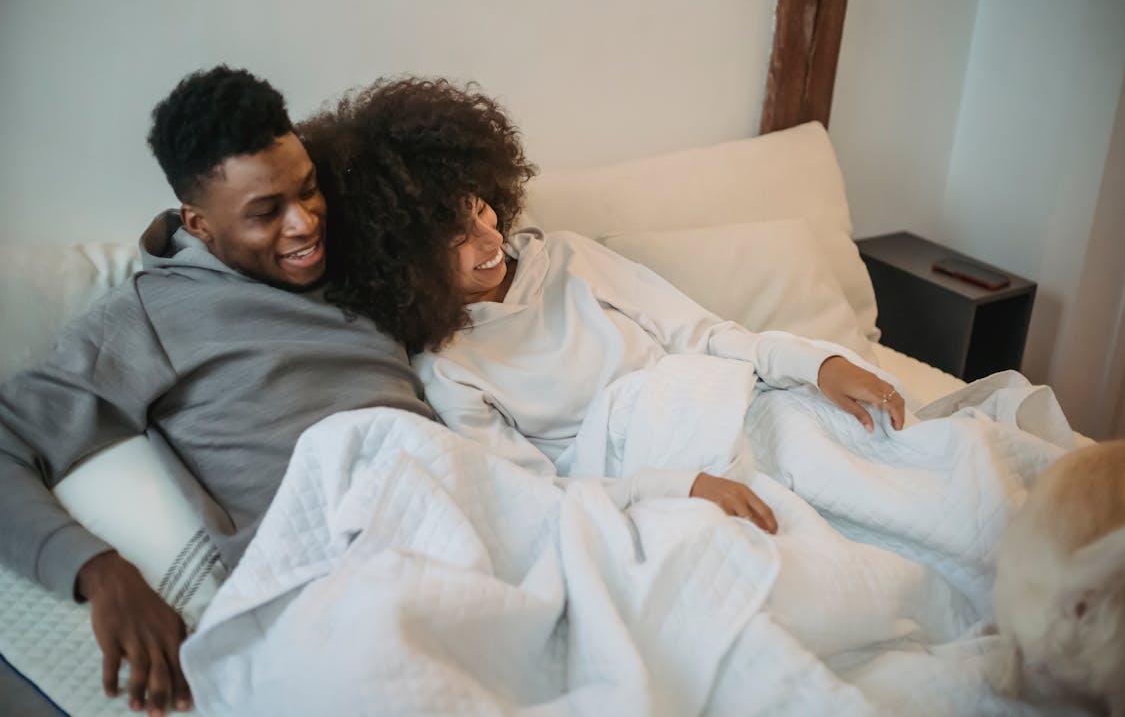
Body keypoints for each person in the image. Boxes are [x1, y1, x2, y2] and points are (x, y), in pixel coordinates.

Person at [0, 67, 436, 717]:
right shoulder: (144, 319)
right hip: (341, 574)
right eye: (265, 214)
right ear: (199, 225)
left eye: (308, 190)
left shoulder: (363, 245)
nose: (303, 224)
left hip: (450, 501)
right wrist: (102, 574)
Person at [299, 77, 906, 533]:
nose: (488, 240)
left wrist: (816, 366)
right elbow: (539, 497)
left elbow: (702, 334)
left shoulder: (565, 259)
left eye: (479, 206)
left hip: (733, 409)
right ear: (398, 259)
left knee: (901, 460)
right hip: (654, 490)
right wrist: (681, 488)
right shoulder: (452, 370)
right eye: (452, 236)